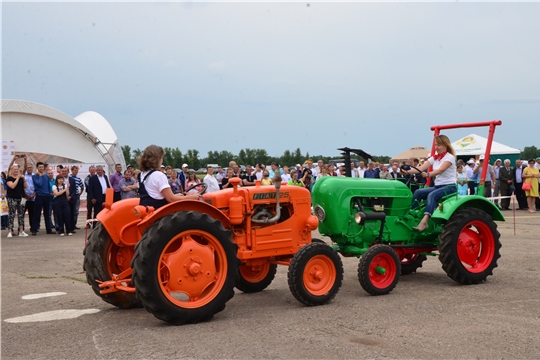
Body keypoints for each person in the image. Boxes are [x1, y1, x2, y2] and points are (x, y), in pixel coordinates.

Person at [403, 135, 457, 231]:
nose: (436, 147)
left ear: (446, 145)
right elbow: (420, 168)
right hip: (438, 186)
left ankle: (424, 222)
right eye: (436, 145)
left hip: (449, 187)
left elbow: (441, 170)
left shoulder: (450, 157)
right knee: (418, 192)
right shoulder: (435, 158)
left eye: (439, 145)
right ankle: (410, 215)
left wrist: (428, 174)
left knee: (431, 195)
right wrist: (407, 172)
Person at [137, 145, 198, 209]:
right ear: (156, 159)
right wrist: (191, 197)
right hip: (159, 212)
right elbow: (171, 199)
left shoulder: (141, 175)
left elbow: (155, 195)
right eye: (161, 158)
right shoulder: (158, 175)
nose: (162, 161)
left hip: (147, 210)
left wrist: (177, 196)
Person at [5, 159, 29, 238]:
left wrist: (24, 179)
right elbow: (12, 186)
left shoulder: (21, 178)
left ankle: (21, 230)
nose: (16, 171)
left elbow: (26, 187)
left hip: (21, 198)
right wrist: (18, 178)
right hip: (12, 198)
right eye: (14, 169)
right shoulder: (9, 178)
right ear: (11, 170)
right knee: (11, 214)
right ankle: (10, 231)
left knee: (21, 214)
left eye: (17, 169)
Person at [31, 162, 54, 235]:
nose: (41, 168)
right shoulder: (34, 176)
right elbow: (39, 184)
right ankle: (34, 229)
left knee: (47, 213)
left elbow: (47, 186)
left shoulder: (46, 176)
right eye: (40, 167)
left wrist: (49, 193)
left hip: (46, 196)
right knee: (37, 213)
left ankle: (49, 229)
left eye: (42, 167)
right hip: (39, 196)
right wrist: (40, 176)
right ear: (37, 168)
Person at [68, 166, 84, 231]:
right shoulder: (69, 178)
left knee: (76, 211)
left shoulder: (78, 178)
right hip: (70, 195)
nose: (76, 172)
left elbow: (82, 186)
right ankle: (69, 224)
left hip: (76, 196)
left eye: (77, 170)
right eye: (74, 170)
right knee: (70, 211)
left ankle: (74, 224)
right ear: (71, 170)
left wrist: (80, 193)